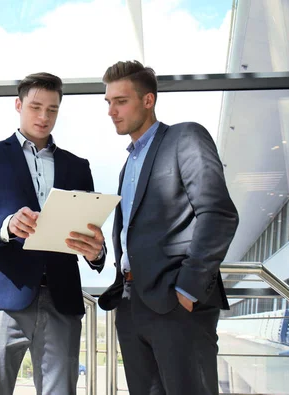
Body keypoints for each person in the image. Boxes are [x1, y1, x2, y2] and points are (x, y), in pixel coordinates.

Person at [0, 72, 106, 395]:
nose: (43, 117)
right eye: (36, 107)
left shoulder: (78, 166)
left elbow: (90, 233)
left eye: (52, 109)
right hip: (2, 300)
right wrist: (6, 225)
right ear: (18, 104)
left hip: (62, 299)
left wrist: (97, 253)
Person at [97, 60, 239, 395]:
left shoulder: (184, 137)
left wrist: (187, 290)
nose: (111, 112)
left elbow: (218, 213)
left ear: (148, 101)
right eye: (108, 103)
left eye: (121, 101)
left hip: (177, 305)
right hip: (132, 304)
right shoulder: (129, 163)